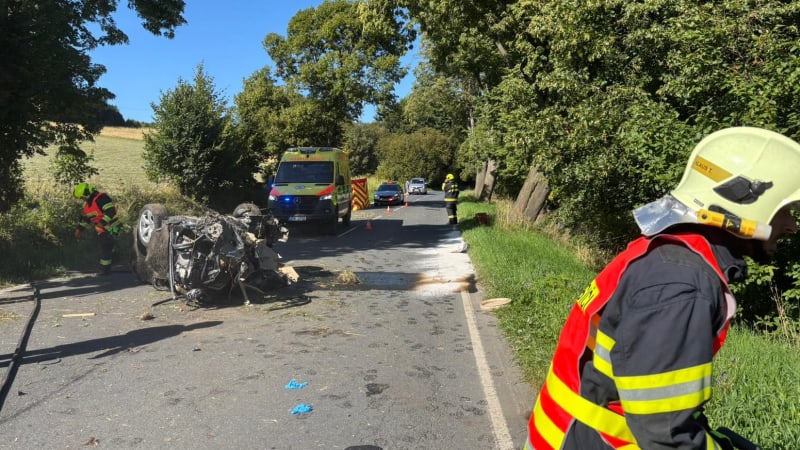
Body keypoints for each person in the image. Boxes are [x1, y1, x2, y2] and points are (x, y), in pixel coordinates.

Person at [524, 127, 800, 450]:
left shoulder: (674, 256)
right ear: (747, 205)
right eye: (784, 212)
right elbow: (665, 435)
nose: (792, 226)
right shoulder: (681, 284)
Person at [74, 182, 121, 275]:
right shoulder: (87, 207)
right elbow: (87, 219)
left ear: (87, 194)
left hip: (113, 228)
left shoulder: (101, 198)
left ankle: (105, 269)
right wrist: (79, 229)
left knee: (105, 247)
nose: (82, 199)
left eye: (82, 197)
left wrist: (102, 222)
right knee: (98, 246)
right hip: (101, 231)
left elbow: (111, 211)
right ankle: (105, 265)